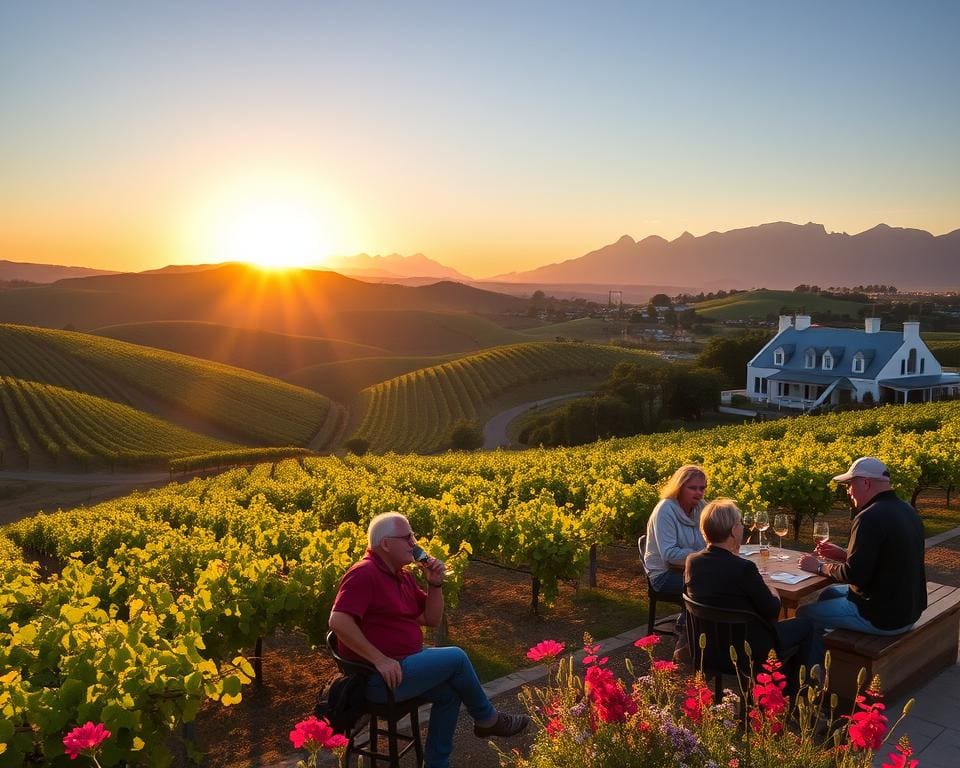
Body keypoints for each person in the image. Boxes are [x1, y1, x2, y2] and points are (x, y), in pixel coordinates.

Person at [329, 512, 529, 768]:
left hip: (405, 666)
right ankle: (488, 719)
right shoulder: (364, 574)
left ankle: (437, 764)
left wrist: (435, 584)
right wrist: (379, 659)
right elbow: (338, 621)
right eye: (407, 537)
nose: (414, 543)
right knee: (457, 657)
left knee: (450, 692)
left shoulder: (401, 575)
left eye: (412, 536)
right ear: (386, 544)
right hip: (378, 679)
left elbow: (430, 619)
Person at [797, 457, 927, 664]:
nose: (848, 491)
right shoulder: (906, 510)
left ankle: (813, 678)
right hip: (909, 609)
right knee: (829, 593)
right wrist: (844, 554)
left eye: (850, 484)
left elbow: (854, 575)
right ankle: (828, 654)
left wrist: (819, 566)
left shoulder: (868, 517)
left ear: (865, 483)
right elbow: (890, 557)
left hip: (882, 617)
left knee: (804, 614)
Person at [685, 499, 815, 682]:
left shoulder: (693, 561)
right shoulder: (743, 568)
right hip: (747, 649)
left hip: (709, 647)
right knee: (808, 624)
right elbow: (771, 610)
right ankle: (796, 688)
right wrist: (773, 590)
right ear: (733, 531)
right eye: (739, 524)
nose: (742, 528)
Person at [643, 464, 708, 594]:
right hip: (664, 574)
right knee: (713, 586)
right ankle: (692, 614)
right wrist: (705, 557)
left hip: (691, 568)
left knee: (727, 579)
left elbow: (713, 535)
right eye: (693, 488)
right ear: (679, 488)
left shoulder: (701, 507)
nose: (699, 493)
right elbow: (670, 555)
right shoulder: (665, 510)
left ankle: (693, 614)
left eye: (702, 488)